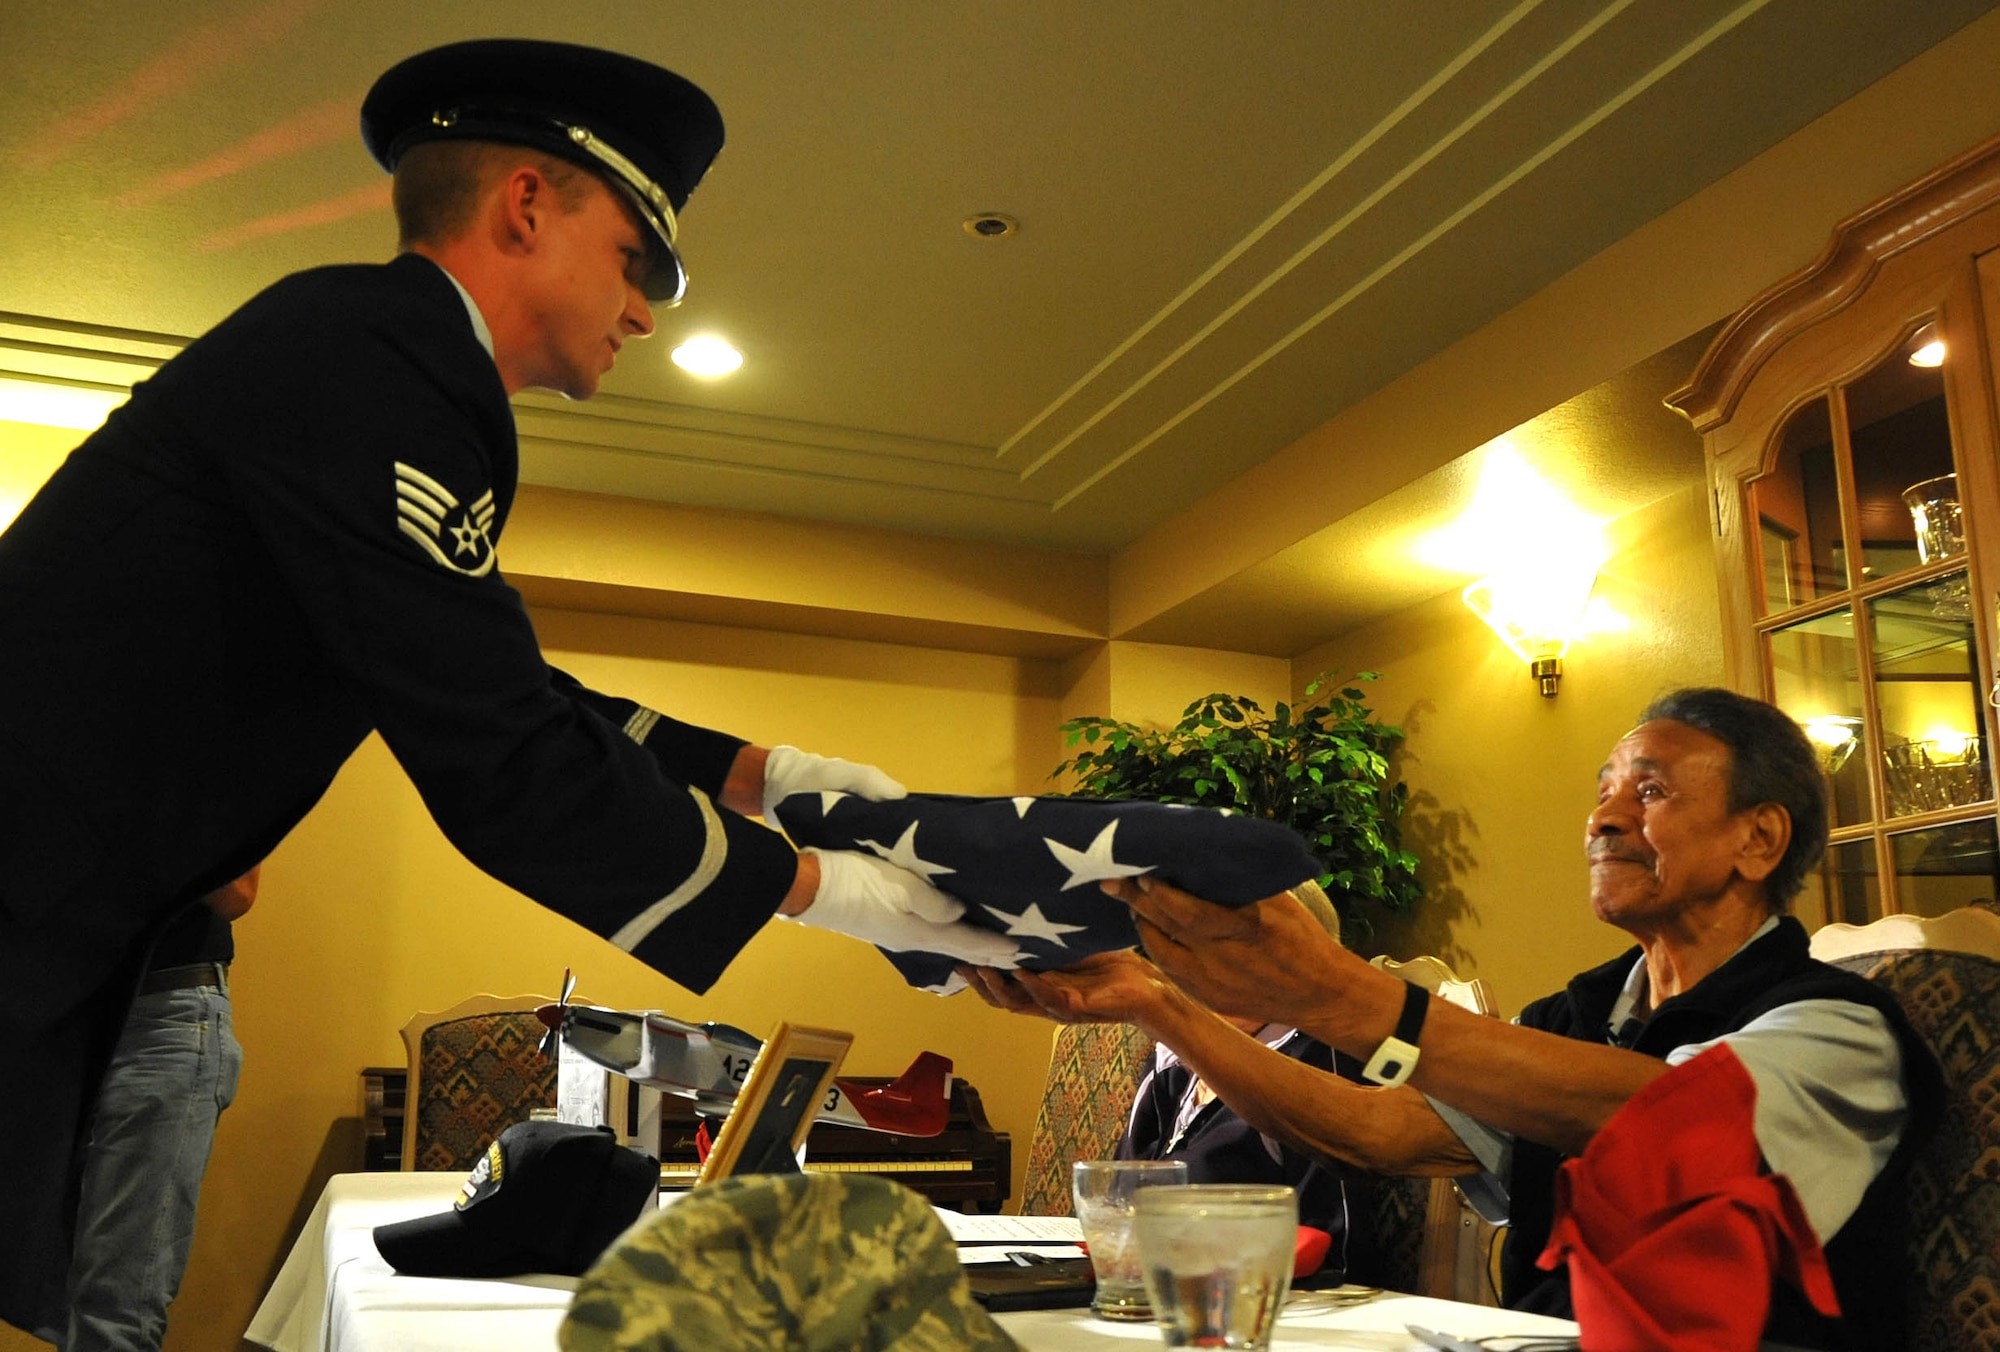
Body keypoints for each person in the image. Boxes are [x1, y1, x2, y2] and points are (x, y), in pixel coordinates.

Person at [0, 39, 1016, 1336]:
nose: (644, 309)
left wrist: (771, 780)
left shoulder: (379, 358)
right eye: (639, 257)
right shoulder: (375, 356)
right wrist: (844, 896)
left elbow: (494, 675)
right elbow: (502, 755)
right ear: (529, 205)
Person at [965, 688, 1939, 1349]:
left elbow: (1673, 1115)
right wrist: (1159, 1003)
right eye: (1600, 788)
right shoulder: (1580, 1010)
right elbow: (1380, 1130)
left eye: (1647, 789)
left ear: (1756, 836)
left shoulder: (1836, 1028)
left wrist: (1332, 990)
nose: (1600, 816)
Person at [1113, 886, 1374, 1287]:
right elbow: (1114, 1198)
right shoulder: (1173, 1057)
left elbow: (1337, 1258)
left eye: (1232, 948)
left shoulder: (1320, 1062)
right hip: (1142, 1289)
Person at [53, 869, 257, 1352]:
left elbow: (238, 893)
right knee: (59, 1303)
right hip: (61, 1019)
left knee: (112, 1309)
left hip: (162, 1017)